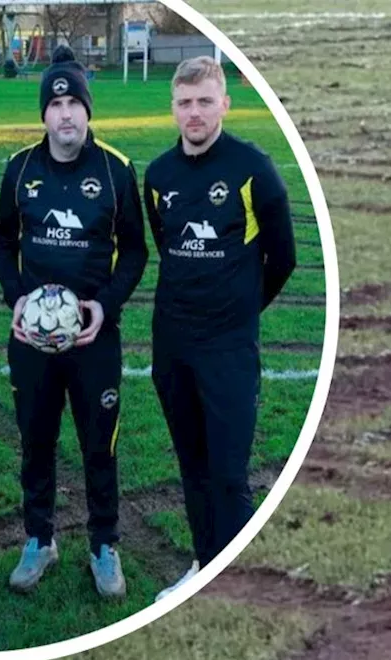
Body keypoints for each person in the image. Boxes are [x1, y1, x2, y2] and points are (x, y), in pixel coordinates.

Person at [0, 45, 148, 599]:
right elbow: (4, 241)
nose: (65, 114)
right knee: (36, 442)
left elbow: (134, 252)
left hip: (93, 340)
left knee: (98, 445)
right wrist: (16, 299)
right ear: (44, 114)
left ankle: (104, 544)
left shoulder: (116, 170)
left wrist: (104, 305)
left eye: (73, 102)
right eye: (55, 103)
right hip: (32, 340)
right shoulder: (19, 169)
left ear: (88, 111)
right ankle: (40, 538)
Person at [145, 56, 296, 602]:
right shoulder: (158, 176)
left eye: (205, 101)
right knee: (194, 468)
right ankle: (204, 568)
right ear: (173, 108)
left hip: (228, 349)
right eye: (185, 103)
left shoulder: (254, 169)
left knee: (229, 475)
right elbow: (168, 248)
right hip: (173, 344)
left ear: (225, 105)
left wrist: (238, 314)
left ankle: (237, 587)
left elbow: (283, 259)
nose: (195, 113)